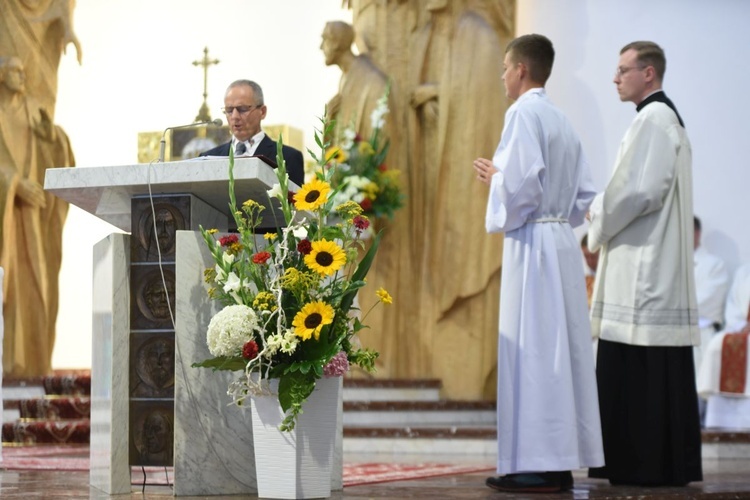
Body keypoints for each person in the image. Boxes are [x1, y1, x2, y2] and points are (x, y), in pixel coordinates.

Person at [473, 33, 604, 493]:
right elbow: (585, 195)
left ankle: (535, 463)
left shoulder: (523, 112)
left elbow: (522, 189)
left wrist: (497, 179)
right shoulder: (561, 119)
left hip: (533, 247)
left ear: (521, 69)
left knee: (531, 352)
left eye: (505, 69)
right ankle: (560, 460)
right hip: (561, 244)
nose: (503, 77)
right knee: (559, 356)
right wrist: (548, 206)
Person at [587, 41, 702, 486]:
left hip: (644, 269)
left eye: (623, 70)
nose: (615, 78)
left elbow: (637, 192)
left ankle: (641, 465)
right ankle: (661, 464)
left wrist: (597, 215)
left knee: (640, 365)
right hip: (649, 259)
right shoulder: (659, 118)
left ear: (648, 73)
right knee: (653, 370)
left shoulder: (654, 120)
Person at [0, 56, 74, 377]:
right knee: (8, 286)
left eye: (22, 69)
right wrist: (12, 185)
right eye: (15, 70)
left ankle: (31, 363)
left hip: (32, 219)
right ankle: (9, 365)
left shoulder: (32, 110)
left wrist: (51, 137)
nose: (22, 75)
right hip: (6, 217)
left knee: (36, 288)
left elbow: (57, 153)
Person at [200, 80, 304, 186]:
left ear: (262, 112)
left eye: (243, 109)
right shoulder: (208, 157)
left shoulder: (288, 157)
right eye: (229, 110)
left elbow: (295, 200)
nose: (235, 116)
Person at [697, 263, 750, 429]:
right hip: (743, 328)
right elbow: (733, 306)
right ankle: (722, 423)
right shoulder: (745, 271)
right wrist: (741, 325)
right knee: (718, 343)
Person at [320, 21, 389, 143]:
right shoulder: (345, 78)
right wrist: (330, 121)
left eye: (324, 39)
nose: (320, 47)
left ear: (336, 43)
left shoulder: (371, 80)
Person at [693, 216, 730, 371]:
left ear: (697, 233)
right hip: (669, 333)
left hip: (701, 335)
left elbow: (707, 301)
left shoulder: (714, 265)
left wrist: (672, 310)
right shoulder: (667, 264)